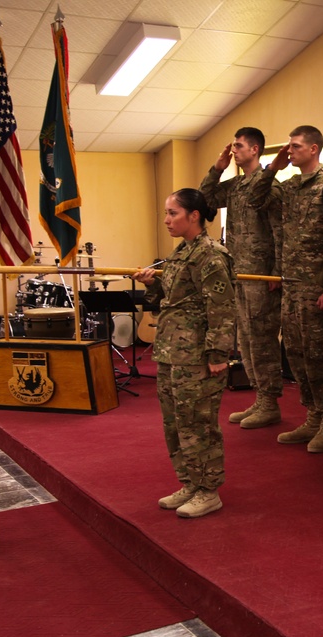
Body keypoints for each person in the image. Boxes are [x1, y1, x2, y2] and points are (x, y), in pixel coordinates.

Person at [133, 189, 235, 519]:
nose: (166, 220)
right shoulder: (181, 253)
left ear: (194, 216)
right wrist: (151, 285)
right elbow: (169, 300)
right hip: (171, 351)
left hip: (196, 356)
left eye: (173, 213)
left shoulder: (210, 255)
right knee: (175, 424)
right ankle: (191, 482)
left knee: (198, 424)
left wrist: (219, 354)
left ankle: (209, 490)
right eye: (166, 212)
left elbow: (221, 308)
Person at [249, 126, 323, 453]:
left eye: (295, 146)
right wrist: (273, 168)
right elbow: (255, 199)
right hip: (292, 287)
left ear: (314, 149)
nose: (289, 150)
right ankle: (312, 416)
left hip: (318, 288)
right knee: (296, 355)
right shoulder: (290, 186)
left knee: (321, 356)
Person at [200, 127, 283, 430]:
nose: (233, 150)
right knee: (246, 340)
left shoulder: (270, 186)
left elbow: (279, 231)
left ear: (255, 150)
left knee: (262, 340)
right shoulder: (234, 185)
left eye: (238, 146)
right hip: (239, 272)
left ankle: (270, 402)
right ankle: (260, 398)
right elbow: (204, 199)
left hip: (261, 274)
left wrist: (276, 271)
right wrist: (218, 168)